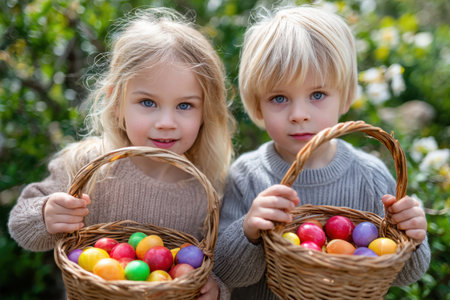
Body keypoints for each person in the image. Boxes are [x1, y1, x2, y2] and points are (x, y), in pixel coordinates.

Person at [8, 7, 234, 300]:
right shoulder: (85, 164)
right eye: (148, 102)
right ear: (117, 103)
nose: (166, 122)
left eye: (185, 106)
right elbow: (20, 225)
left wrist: (217, 291)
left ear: (206, 112)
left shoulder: (207, 189)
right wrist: (46, 214)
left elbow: (210, 266)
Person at [213, 5, 431, 299]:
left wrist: (413, 237)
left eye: (317, 95)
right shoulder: (248, 175)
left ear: (345, 97)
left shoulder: (369, 176)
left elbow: (403, 274)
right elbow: (227, 273)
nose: (299, 114)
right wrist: (248, 231)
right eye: (279, 97)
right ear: (257, 106)